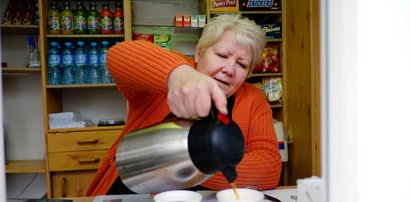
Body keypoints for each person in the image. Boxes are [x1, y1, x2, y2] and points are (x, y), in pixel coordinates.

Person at [86, 14, 282, 196]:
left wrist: (185, 167)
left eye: (242, 64)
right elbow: (119, 55)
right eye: (222, 55)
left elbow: (269, 168)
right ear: (199, 53)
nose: (229, 69)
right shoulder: (171, 73)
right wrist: (177, 75)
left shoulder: (253, 98)